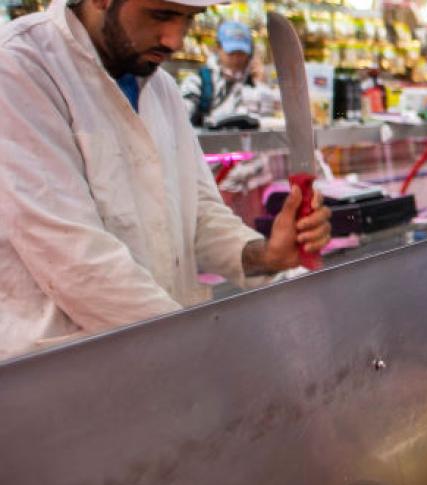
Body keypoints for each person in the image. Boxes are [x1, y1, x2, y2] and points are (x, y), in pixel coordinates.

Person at [0, 0, 331, 361]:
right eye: (160, 14)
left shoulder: (161, 88)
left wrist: (264, 255)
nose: (175, 40)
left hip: (166, 352)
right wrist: (200, 350)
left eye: (188, 20)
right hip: (66, 369)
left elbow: (199, 214)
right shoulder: (18, 67)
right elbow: (74, 260)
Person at [180, 20, 266, 128]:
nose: (236, 59)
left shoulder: (253, 84)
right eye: (231, 53)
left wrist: (259, 84)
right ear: (218, 48)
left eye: (241, 53)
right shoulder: (197, 82)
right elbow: (180, 120)